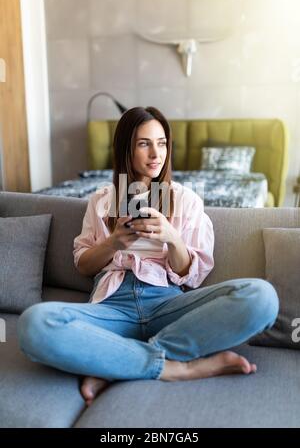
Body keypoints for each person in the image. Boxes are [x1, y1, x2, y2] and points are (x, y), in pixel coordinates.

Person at [17, 107, 279, 407]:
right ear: (126, 149)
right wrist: (113, 243)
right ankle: (177, 366)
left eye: (162, 143)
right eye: (144, 143)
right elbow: (83, 264)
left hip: (168, 304)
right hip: (111, 308)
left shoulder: (186, 200)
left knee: (262, 296)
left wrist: (172, 238)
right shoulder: (102, 200)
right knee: (34, 323)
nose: (156, 154)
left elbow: (193, 275)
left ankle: (117, 362)